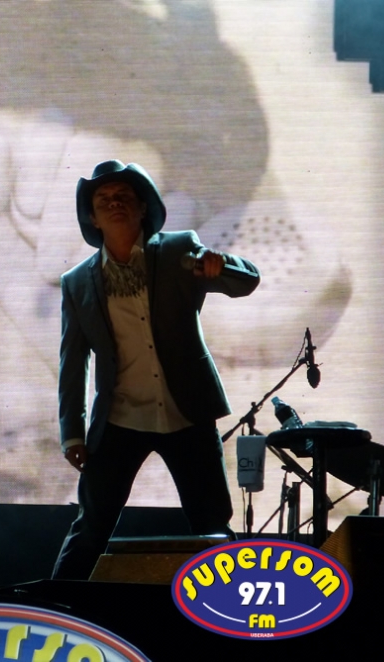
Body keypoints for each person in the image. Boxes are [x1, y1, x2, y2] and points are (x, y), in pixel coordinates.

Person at [53, 160, 260, 580]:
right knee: (91, 529)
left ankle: (231, 607)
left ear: (143, 207)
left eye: (124, 196)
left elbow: (247, 281)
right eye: (103, 199)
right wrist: (72, 432)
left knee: (211, 526)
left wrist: (221, 266)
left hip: (186, 411)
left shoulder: (178, 249)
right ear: (92, 218)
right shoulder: (77, 282)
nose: (115, 203)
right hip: (120, 418)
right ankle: (54, 607)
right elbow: (72, 361)